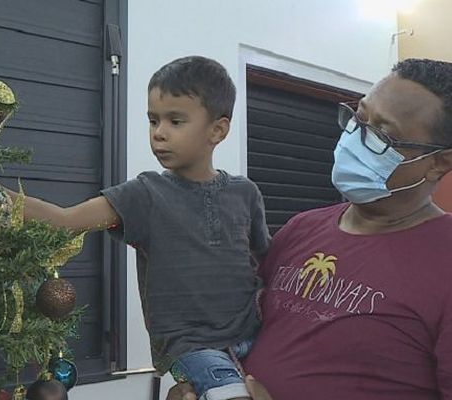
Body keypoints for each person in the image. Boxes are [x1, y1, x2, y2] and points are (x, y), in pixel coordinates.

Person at [168, 58, 452, 400]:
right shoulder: (302, 228)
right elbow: (247, 328)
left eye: (383, 134)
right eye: (359, 117)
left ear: (439, 162)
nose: (357, 138)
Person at [9, 56, 271, 400]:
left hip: (256, 334)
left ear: (217, 130)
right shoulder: (144, 194)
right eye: (153, 120)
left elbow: (268, 259)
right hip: (190, 346)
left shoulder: (245, 192)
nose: (159, 133)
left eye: (175, 121)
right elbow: (65, 221)